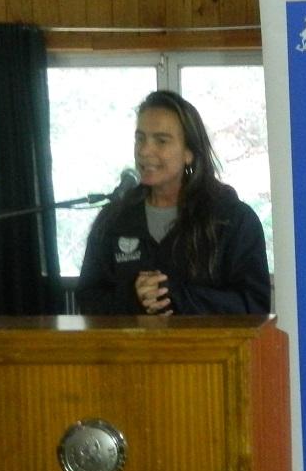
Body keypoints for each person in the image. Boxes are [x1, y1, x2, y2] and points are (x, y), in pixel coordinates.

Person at [77, 90, 271, 316]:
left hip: (209, 351)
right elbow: (87, 300)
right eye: (140, 138)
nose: (144, 150)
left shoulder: (232, 219)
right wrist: (134, 297)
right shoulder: (113, 219)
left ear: (189, 152)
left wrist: (177, 296)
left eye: (161, 141)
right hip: (130, 351)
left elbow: (254, 306)